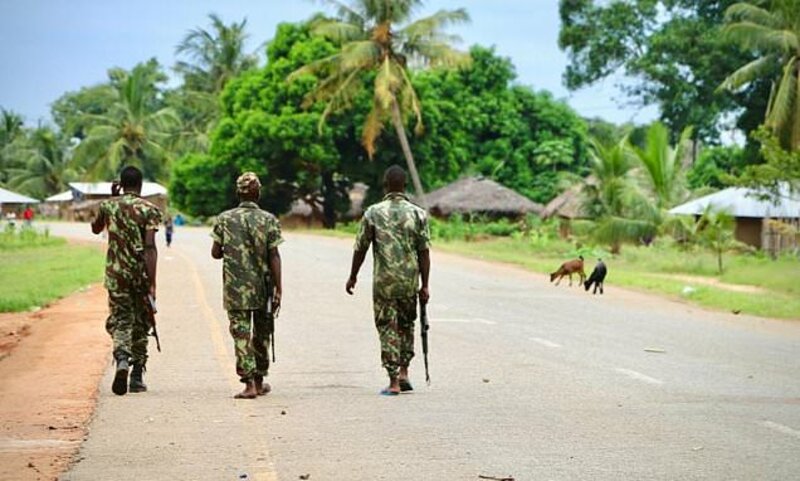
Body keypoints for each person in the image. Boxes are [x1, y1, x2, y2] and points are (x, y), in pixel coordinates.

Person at [346, 165, 431, 396]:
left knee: (387, 327)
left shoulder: (373, 213)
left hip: (384, 283)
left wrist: (353, 276)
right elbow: (424, 252)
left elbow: (361, 248)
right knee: (406, 325)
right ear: (405, 186)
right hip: (408, 282)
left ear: (385, 186)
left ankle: (393, 382)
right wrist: (425, 285)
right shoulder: (418, 214)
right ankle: (404, 373)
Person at [211, 172, 283, 399]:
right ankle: (260, 381)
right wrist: (279, 288)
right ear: (258, 193)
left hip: (235, 288)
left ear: (238, 193)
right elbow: (274, 255)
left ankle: (249, 383)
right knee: (262, 334)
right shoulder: (268, 219)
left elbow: (215, 253)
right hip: (263, 287)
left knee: (241, 334)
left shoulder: (224, 219)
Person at [91, 166, 162, 396]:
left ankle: (122, 358)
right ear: (141, 185)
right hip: (140, 276)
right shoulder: (149, 210)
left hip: (116, 276)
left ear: (121, 184)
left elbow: (95, 229)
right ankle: (137, 376)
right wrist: (152, 282)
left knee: (121, 320)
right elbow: (150, 247)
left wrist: (112, 198)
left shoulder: (108, 206)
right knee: (142, 322)